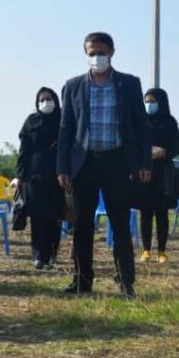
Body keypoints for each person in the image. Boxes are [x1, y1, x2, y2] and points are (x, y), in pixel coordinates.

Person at [58, 32, 150, 298]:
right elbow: (66, 129)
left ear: (112, 52)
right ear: (85, 54)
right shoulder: (73, 86)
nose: (96, 57)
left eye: (101, 52)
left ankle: (125, 280)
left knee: (120, 224)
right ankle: (82, 280)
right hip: (83, 163)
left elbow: (141, 126)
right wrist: (62, 167)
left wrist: (143, 161)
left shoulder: (129, 84)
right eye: (91, 53)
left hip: (117, 162)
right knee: (82, 225)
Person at [17, 87, 64, 269]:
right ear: (37, 103)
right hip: (33, 177)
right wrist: (20, 175)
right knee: (37, 217)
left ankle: (51, 254)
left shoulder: (62, 121)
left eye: (49, 98)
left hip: (57, 176)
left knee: (54, 217)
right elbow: (23, 151)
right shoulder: (31, 122)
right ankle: (38, 255)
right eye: (42, 99)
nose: (46, 102)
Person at [136, 88, 179, 264]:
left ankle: (162, 251)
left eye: (153, 101)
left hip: (163, 173)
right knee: (145, 213)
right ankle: (146, 250)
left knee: (162, 213)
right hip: (144, 172)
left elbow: (176, 147)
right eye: (147, 101)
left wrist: (163, 152)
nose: (149, 105)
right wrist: (147, 152)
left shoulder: (170, 122)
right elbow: (133, 144)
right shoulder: (140, 121)